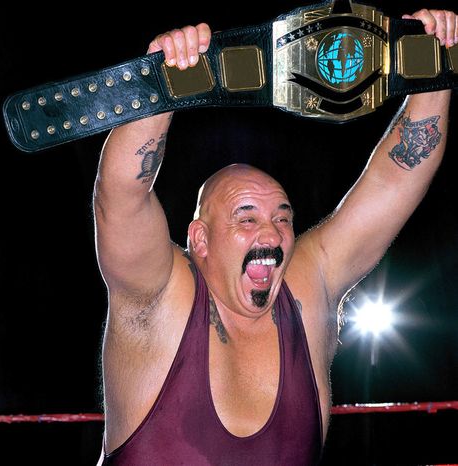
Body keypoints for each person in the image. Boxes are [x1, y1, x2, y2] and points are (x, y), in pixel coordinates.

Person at [93, 8, 455, 465]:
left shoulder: (305, 288)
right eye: (246, 218)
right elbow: (121, 196)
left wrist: (434, 66)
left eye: (283, 218)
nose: (272, 231)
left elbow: (396, 178)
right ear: (200, 240)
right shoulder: (160, 295)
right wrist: (159, 86)